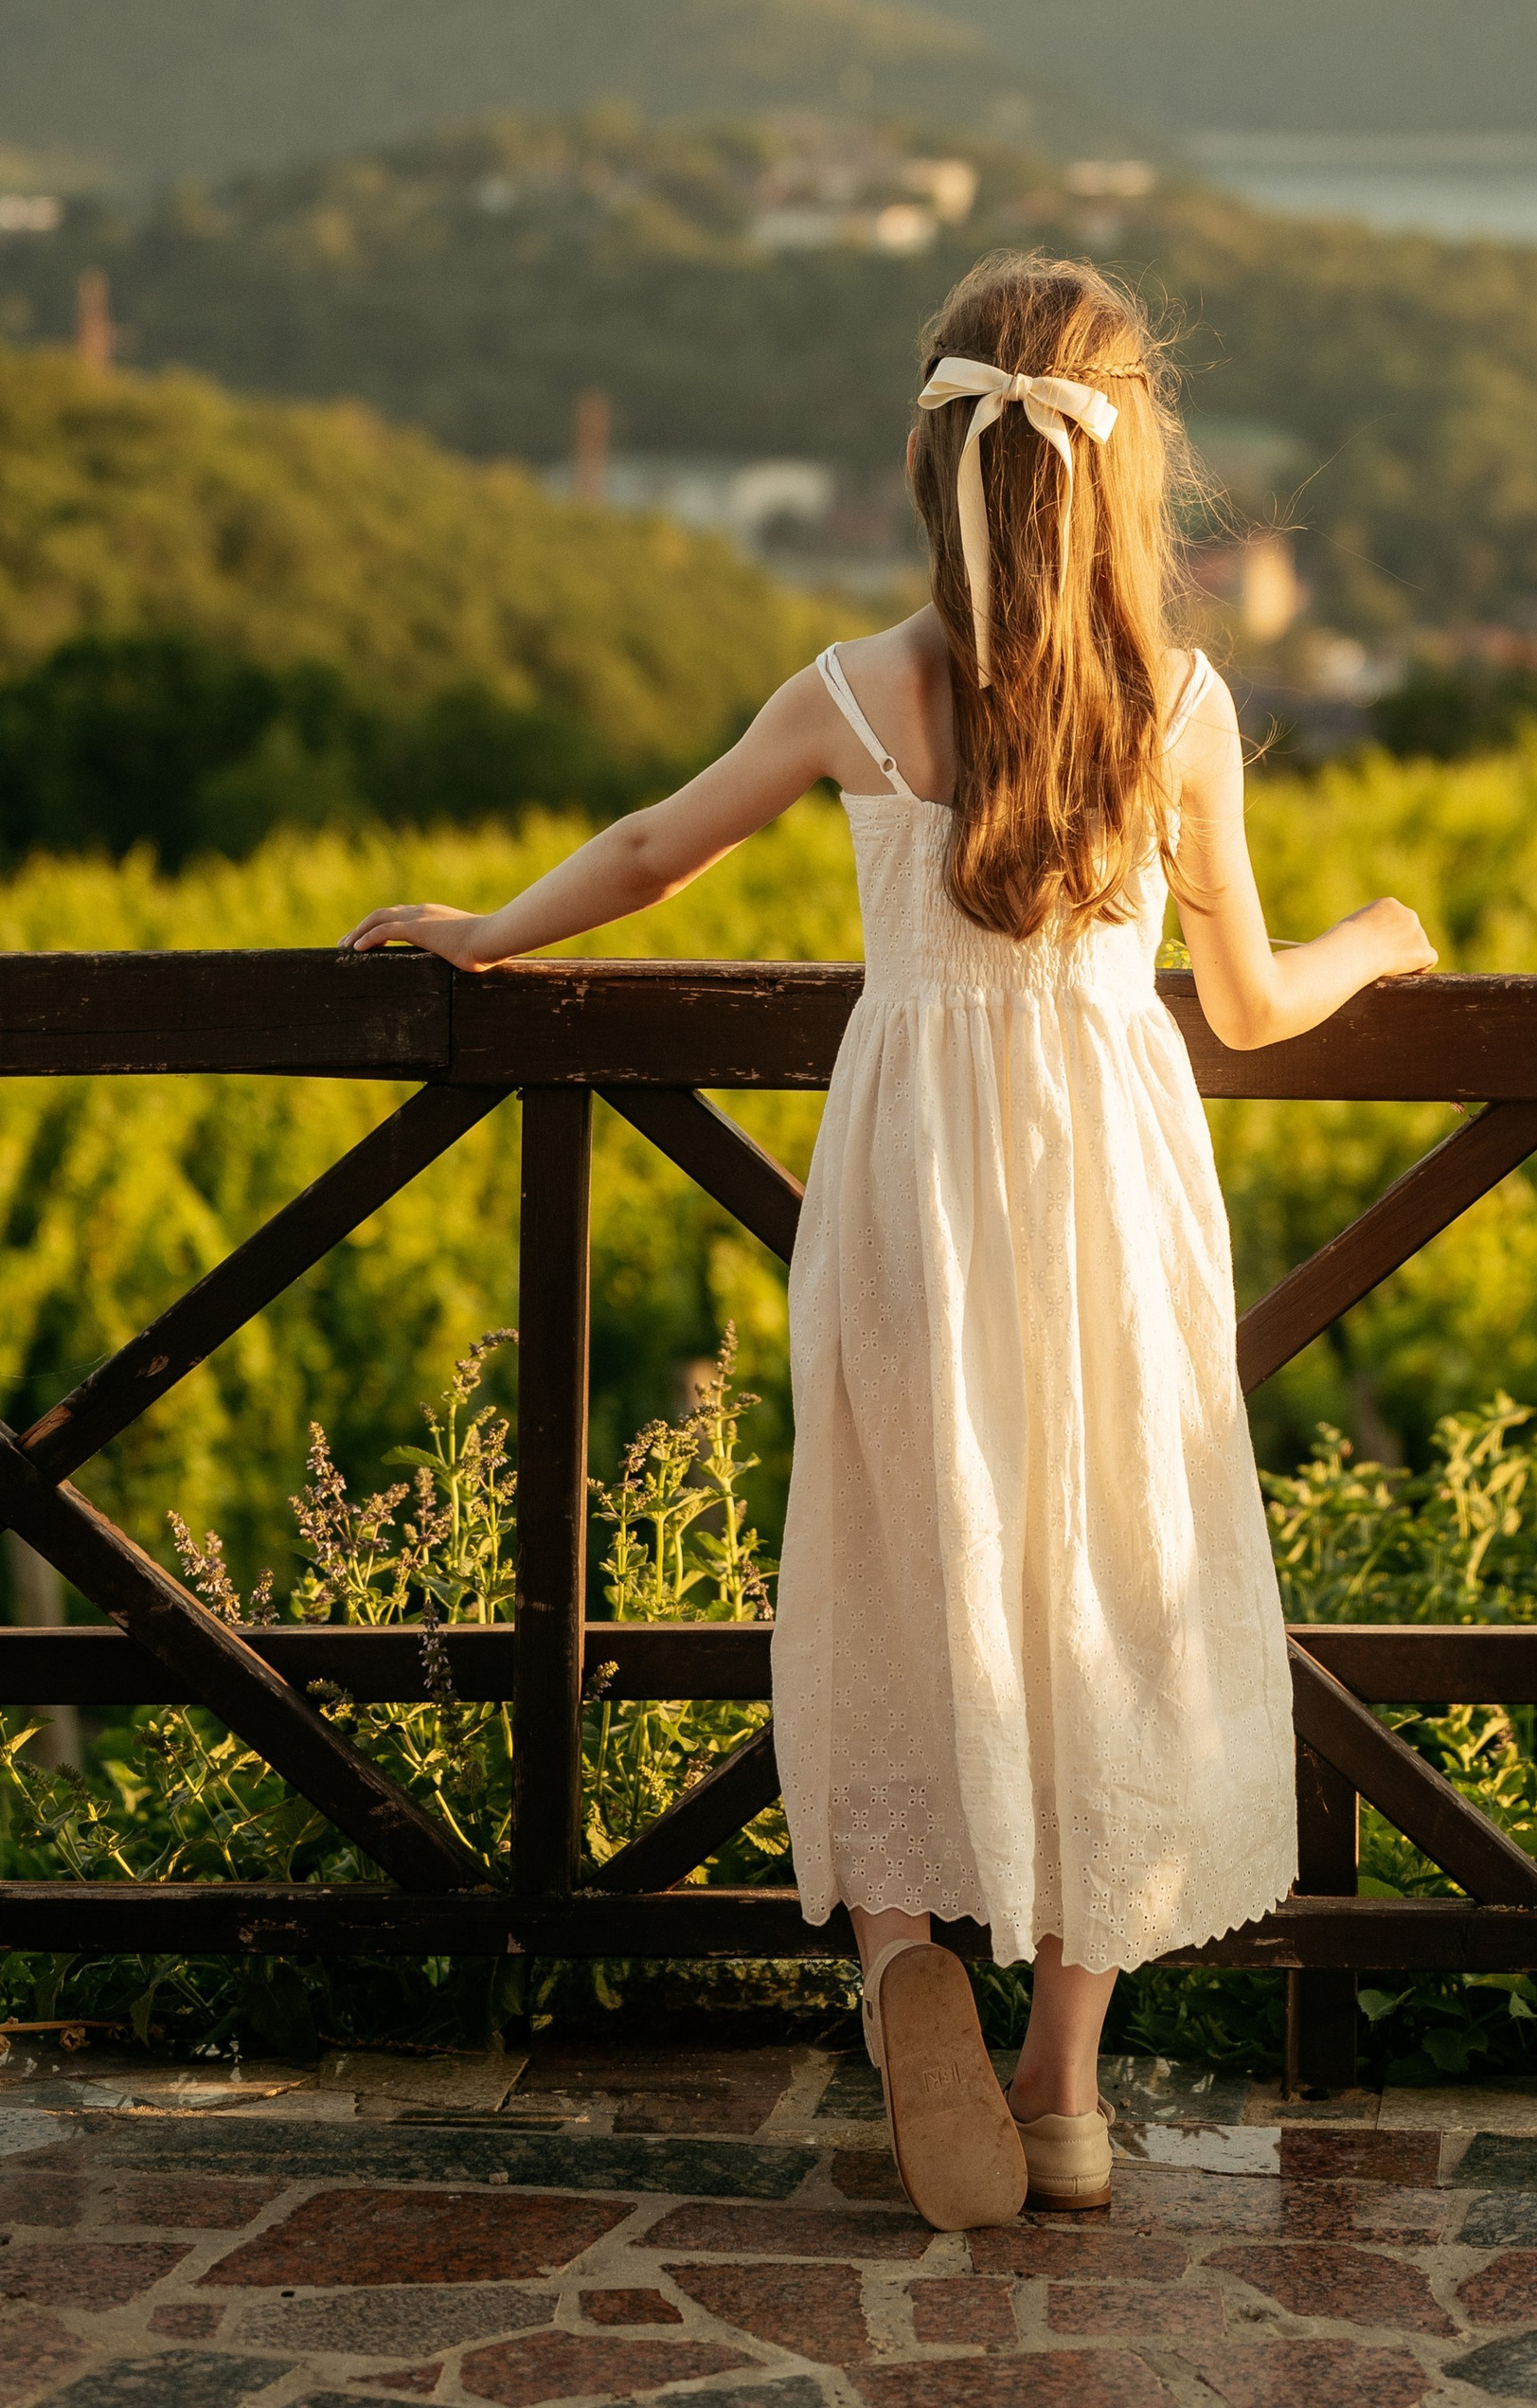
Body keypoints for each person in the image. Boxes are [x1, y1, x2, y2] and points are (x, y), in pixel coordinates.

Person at [344, 252, 1437, 2226]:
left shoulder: (854, 691)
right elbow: (1255, 1004)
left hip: (914, 1171)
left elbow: (657, 846)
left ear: (932, 464)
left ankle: (898, 1954)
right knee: (1106, 1574)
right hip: (1107, 1179)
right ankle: (1066, 2089)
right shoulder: (1180, 710)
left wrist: (490, 933)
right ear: (1126, 482)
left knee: (905, 1549)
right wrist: (1388, 941)